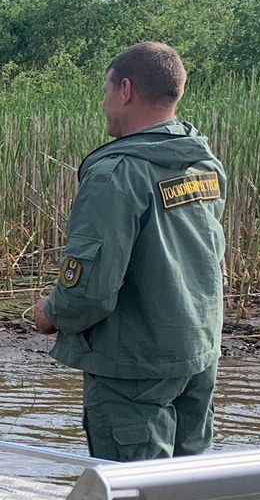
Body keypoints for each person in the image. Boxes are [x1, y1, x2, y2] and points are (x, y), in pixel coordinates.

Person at [30, 42, 226, 461]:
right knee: (186, 493)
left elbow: (90, 289)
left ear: (125, 89)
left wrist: (52, 313)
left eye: (104, 92)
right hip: (197, 354)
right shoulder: (203, 163)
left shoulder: (116, 173)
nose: (103, 105)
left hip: (133, 366)